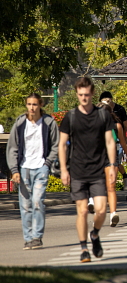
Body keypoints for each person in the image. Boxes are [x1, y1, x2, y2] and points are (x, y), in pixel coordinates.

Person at [58, 76, 118, 262]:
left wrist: (113, 165)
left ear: (92, 93)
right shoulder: (71, 116)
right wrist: (63, 170)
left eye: (86, 94)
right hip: (77, 171)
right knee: (82, 211)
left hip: (98, 170)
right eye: (80, 94)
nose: (83, 98)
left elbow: (110, 141)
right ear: (77, 94)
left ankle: (95, 234)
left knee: (101, 211)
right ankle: (84, 248)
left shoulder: (102, 115)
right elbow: (62, 145)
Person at [6, 92, 60, 250]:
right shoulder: (20, 123)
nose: (32, 107)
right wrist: (14, 170)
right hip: (24, 169)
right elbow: (13, 147)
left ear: (41, 105)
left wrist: (48, 163)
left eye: (35, 104)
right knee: (25, 205)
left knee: (37, 202)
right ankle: (28, 238)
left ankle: (37, 237)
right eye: (29, 104)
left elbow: (56, 144)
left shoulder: (49, 122)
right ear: (26, 105)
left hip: (41, 168)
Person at [98, 100, 127, 227]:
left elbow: (123, 143)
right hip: (97, 159)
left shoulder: (116, 126)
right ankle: (97, 207)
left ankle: (113, 214)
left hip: (112, 159)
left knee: (110, 187)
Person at [99, 91, 127, 190]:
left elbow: (125, 125)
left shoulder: (119, 111)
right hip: (101, 151)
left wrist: (125, 139)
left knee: (116, 165)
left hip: (116, 143)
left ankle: (124, 176)